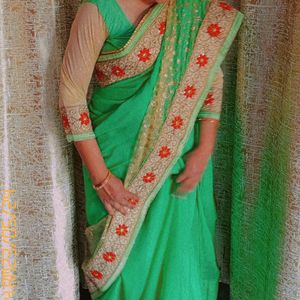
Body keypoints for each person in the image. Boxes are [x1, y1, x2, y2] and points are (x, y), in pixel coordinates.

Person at [58, 0, 244, 299]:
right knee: (125, 264)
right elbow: (71, 94)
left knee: (182, 256)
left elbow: (210, 74)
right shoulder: (98, 10)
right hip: (115, 158)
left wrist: (205, 148)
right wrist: (102, 180)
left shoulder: (188, 9)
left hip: (180, 154)